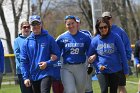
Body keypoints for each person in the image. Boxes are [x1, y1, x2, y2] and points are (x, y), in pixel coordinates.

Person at [20, 15, 60, 93]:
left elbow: (57, 55)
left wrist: (47, 63)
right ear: (30, 26)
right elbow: (24, 61)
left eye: (37, 24)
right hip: (33, 75)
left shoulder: (49, 38)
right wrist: (26, 77)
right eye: (33, 24)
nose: (36, 26)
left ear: (41, 24)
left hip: (46, 73)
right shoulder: (26, 42)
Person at [88, 17, 129, 93]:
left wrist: (126, 70)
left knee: (113, 91)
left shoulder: (116, 37)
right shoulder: (95, 40)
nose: (103, 29)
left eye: (105, 27)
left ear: (108, 27)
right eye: (101, 27)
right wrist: (98, 65)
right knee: (104, 90)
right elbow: (90, 56)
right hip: (101, 71)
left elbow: (123, 54)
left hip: (115, 70)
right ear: (98, 28)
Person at [56, 15, 91, 93]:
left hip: (81, 67)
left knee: (80, 91)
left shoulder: (85, 37)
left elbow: (91, 51)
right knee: (70, 90)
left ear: (76, 24)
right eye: (68, 24)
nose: (71, 26)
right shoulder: (62, 38)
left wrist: (92, 58)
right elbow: (55, 52)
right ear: (65, 25)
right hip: (66, 67)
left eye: (73, 23)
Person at [102, 11, 132, 93]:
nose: (107, 20)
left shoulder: (119, 31)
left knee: (121, 87)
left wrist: (126, 59)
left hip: (119, 63)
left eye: (108, 18)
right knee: (107, 88)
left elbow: (127, 45)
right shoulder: (101, 31)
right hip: (106, 64)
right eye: (104, 19)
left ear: (111, 19)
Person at [75, 16, 94, 93]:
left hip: (85, 60)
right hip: (73, 62)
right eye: (75, 23)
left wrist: (90, 62)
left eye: (78, 23)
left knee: (87, 85)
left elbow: (92, 46)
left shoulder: (86, 33)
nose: (76, 25)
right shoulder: (66, 35)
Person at [14, 21, 33, 93]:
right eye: (24, 27)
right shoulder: (17, 40)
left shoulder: (34, 38)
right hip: (22, 71)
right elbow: (18, 54)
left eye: (28, 27)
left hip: (33, 70)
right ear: (21, 29)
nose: (26, 29)